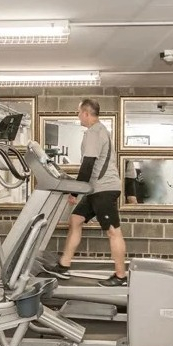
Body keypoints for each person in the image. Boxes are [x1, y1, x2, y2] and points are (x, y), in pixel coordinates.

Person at [44, 99, 129, 286]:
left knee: (113, 231)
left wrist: (75, 192)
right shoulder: (100, 130)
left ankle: (120, 276)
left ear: (86, 113)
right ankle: (64, 265)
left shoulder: (94, 132)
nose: (78, 116)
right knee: (75, 220)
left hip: (103, 189)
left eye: (78, 112)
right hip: (95, 188)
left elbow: (88, 164)